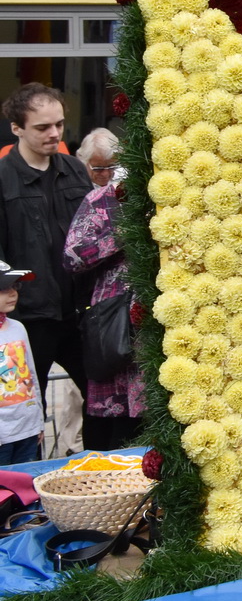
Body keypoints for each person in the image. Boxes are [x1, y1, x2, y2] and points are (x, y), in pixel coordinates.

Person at [0, 85, 93, 403]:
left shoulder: (76, 170)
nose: (54, 133)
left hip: (81, 312)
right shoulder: (2, 178)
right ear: (17, 128)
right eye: (42, 127)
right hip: (27, 319)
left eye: (59, 124)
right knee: (24, 407)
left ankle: (100, 455)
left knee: (99, 402)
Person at [64, 129, 143, 451]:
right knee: (114, 423)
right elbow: (73, 256)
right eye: (100, 168)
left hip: (156, 314)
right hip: (114, 317)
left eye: (115, 165)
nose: (109, 174)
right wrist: (124, 235)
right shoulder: (99, 201)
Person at [0, 257, 43, 465]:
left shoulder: (18, 328)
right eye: (3, 288)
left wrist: (39, 422)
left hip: (26, 429)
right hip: (2, 435)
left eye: (14, 286)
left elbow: (32, 375)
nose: (13, 293)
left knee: (25, 490)